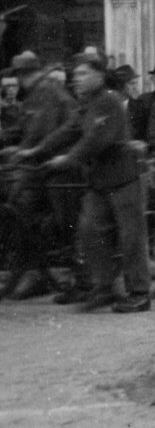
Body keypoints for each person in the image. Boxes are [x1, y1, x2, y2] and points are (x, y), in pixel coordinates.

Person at [24, 53, 149, 312]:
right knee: (89, 230)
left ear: (99, 75)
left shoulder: (109, 101)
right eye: (75, 74)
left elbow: (95, 140)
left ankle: (139, 293)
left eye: (83, 73)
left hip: (123, 178)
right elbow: (68, 130)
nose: (76, 79)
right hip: (100, 181)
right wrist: (37, 150)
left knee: (131, 238)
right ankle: (103, 288)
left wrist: (66, 159)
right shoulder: (87, 104)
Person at [1, 51, 78, 300]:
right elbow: (24, 129)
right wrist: (11, 143)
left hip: (60, 165)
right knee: (22, 210)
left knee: (46, 216)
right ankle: (36, 272)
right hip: (43, 164)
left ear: (25, 74)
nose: (19, 81)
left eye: (19, 75)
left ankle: (64, 273)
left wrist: (22, 151)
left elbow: (40, 131)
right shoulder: (36, 93)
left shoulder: (47, 92)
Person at [1, 70, 22, 146]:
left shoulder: (22, 106)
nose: (11, 89)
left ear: (18, 88)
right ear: (2, 88)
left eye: (14, 86)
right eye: (7, 86)